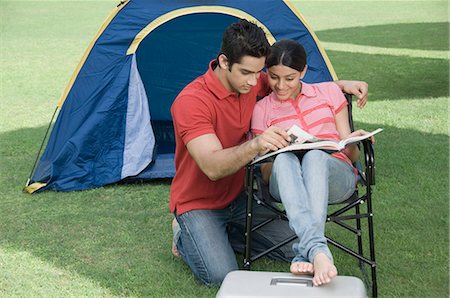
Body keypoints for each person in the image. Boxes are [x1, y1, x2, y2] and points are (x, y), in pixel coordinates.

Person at [170, 19, 369, 286]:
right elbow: (213, 167)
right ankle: (184, 235)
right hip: (199, 202)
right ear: (224, 62)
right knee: (221, 275)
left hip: (240, 198)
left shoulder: (250, 80)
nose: (256, 82)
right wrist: (256, 144)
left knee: (296, 245)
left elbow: (290, 80)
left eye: (259, 72)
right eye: (247, 73)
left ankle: (225, 236)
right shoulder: (191, 102)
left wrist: (340, 85)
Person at [251, 39, 374, 286]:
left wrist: (352, 140)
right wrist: (279, 149)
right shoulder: (262, 109)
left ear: (304, 71)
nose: (281, 86)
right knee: (285, 158)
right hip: (284, 180)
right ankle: (318, 251)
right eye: (274, 77)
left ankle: (306, 250)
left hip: (335, 175)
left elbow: (350, 156)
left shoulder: (328, 92)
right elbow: (264, 172)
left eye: (290, 78)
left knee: (316, 155)